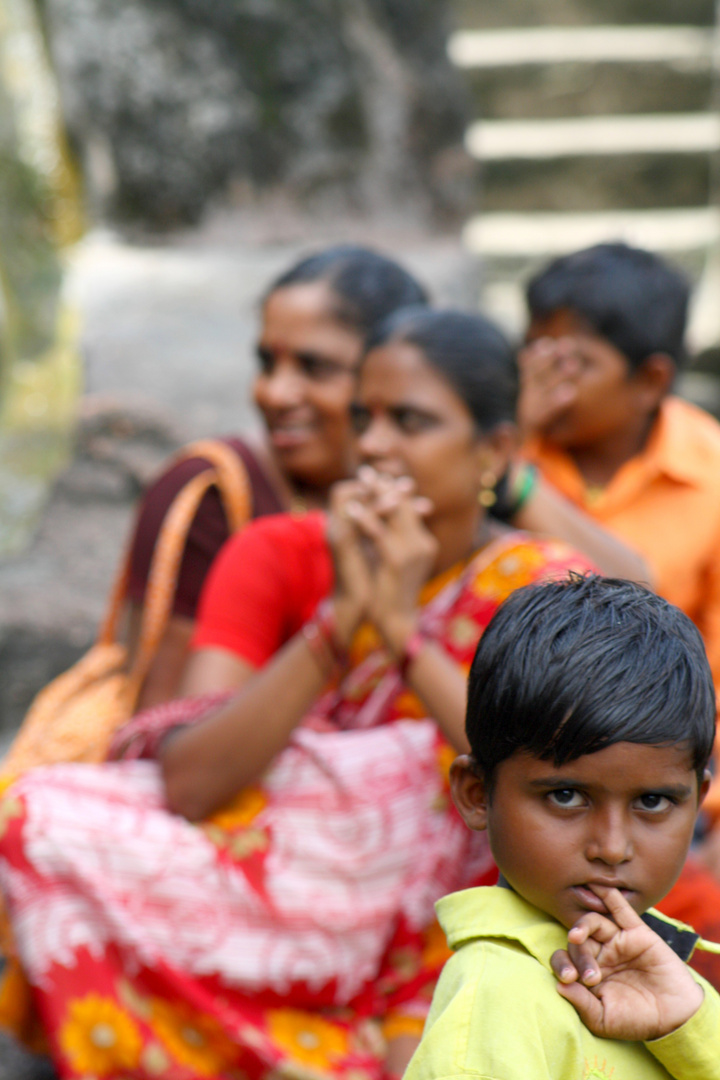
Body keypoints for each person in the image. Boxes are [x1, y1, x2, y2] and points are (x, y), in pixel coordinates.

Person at [0, 309, 593, 1080]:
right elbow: (189, 782)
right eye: (364, 420)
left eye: (409, 421)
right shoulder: (300, 549)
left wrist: (400, 628)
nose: (374, 446)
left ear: (494, 450)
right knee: (34, 815)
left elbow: (552, 782)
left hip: (463, 907)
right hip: (315, 880)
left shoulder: (546, 586)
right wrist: (343, 617)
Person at [404, 575, 720, 1080]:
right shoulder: (498, 1000)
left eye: (653, 801)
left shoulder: (674, 981)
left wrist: (691, 1025)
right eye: (566, 796)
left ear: (697, 802)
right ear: (476, 793)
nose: (612, 848)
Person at [126, 245, 430, 708]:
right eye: (268, 364)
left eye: (314, 368)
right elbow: (161, 721)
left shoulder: (437, 487)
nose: (275, 392)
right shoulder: (211, 493)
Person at [512, 241, 720, 913]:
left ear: (651, 381)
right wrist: (509, 440)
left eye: (571, 360)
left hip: (664, 797)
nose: (544, 378)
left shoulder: (710, 475)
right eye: (533, 353)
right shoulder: (508, 452)